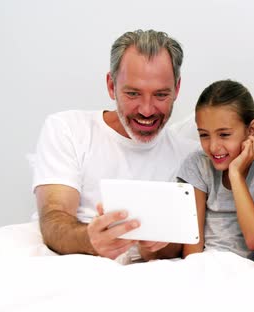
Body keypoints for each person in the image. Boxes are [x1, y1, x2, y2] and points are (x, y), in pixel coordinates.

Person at [32, 29, 197, 262]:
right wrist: (89, 239)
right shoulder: (68, 129)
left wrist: (154, 249)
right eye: (133, 93)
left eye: (160, 95)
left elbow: (181, 246)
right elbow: (53, 218)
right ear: (111, 85)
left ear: (177, 89)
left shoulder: (190, 156)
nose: (147, 110)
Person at [177, 79, 254, 263]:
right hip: (204, 264)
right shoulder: (198, 165)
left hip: (245, 268)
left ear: (251, 130)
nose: (213, 146)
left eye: (224, 135)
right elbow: (191, 249)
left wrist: (235, 175)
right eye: (204, 135)